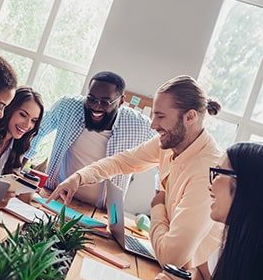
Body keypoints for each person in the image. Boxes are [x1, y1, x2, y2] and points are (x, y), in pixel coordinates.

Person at [47, 75, 224, 269]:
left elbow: (172, 258)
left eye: (161, 116)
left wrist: (158, 206)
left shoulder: (208, 171)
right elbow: (122, 162)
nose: (153, 125)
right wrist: (79, 177)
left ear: (190, 117)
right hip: (167, 267)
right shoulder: (169, 144)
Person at [148, 142, 263, 280]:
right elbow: (203, 277)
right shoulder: (237, 243)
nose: (210, 185)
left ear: (245, 187)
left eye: (218, 174)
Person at [24, 71, 156, 208]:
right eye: (91, 99)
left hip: (99, 210)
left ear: (121, 101)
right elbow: (38, 131)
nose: (96, 106)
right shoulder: (68, 106)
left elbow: (164, 156)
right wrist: (20, 162)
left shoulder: (140, 125)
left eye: (105, 102)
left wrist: (161, 195)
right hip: (53, 195)